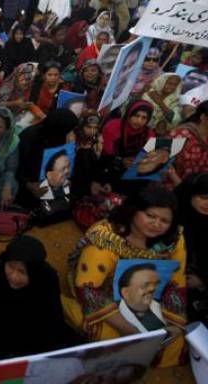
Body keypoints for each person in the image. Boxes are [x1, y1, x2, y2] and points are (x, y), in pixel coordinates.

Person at [62, 184, 186, 367]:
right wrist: (130, 330)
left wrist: (173, 325)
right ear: (134, 211)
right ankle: (66, 305)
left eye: (164, 221)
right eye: (150, 216)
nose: (156, 224)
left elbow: (177, 281)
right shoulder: (106, 240)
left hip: (145, 295)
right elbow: (88, 290)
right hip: (99, 292)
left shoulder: (173, 240)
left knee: (175, 343)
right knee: (110, 338)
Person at [0, 236, 80, 383]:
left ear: (34, 272)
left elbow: (51, 319)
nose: (14, 276)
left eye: (22, 272)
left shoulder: (47, 280)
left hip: (30, 339)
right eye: (11, 267)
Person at [16, 109, 79, 209]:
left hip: (51, 193)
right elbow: (16, 167)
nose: (71, 133)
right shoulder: (29, 137)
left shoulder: (61, 137)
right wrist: (28, 185)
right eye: (69, 130)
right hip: (26, 192)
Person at [175, 173, 208, 324]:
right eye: (203, 197)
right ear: (190, 195)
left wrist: (202, 281)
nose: (207, 203)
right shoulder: (173, 221)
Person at [101, 100, 155, 185]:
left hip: (131, 172)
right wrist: (121, 161)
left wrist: (137, 163)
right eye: (136, 116)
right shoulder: (114, 126)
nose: (139, 121)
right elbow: (104, 153)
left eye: (144, 118)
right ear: (129, 114)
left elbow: (147, 158)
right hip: (107, 166)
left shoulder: (149, 135)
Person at [166, 101, 208, 186]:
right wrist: (180, 185)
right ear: (203, 117)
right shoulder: (181, 134)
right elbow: (161, 161)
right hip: (170, 188)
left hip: (197, 191)